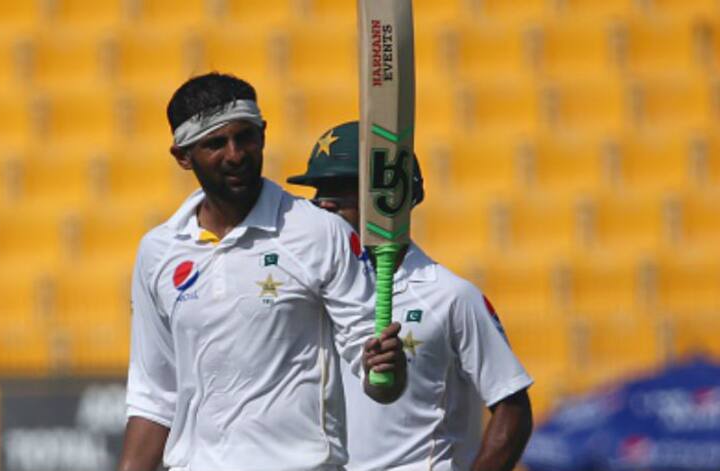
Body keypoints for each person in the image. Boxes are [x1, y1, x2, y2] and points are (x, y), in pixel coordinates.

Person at [118, 75, 407, 471]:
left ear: (263, 135)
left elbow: (379, 378)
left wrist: (387, 369)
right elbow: (154, 395)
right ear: (183, 156)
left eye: (246, 137)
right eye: (216, 144)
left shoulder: (320, 232)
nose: (235, 155)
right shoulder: (158, 251)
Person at [287, 121, 534, 471]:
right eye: (319, 191)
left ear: (393, 197)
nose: (325, 204)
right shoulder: (311, 294)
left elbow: (513, 409)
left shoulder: (449, 297)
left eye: (343, 189)